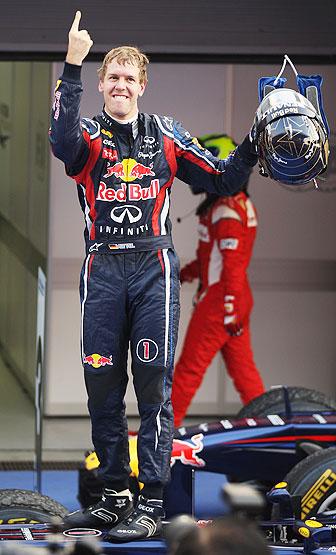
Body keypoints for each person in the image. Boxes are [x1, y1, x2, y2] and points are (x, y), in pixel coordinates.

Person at [49, 11, 258, 542]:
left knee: (152, 388)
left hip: (152, 271)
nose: (119, 85)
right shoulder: (88, 138)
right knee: (101, 385)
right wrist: (72, 63)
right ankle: (112, 498)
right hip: (102, 270)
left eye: (128, 78)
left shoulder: (166, 136)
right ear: (102, 86)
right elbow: (59, 139)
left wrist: (255, 138)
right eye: (111, 77)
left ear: (142, 85)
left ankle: (151, 502)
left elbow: (224, 176)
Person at [171, 134, 264, 427]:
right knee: (245, 375)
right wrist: (180, 274)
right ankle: (273, 429)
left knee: (188, 370)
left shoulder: (225, 210)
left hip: (220, 302)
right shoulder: (237, 204)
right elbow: (210, 261)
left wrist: (228, 307)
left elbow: (231, 266)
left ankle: (161, 434)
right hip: (234, 299)